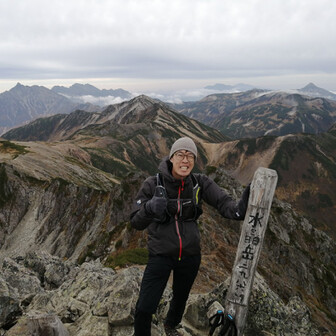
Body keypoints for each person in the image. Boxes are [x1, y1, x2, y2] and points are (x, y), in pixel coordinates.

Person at [130, 137, 250, 336]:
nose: (185, 160)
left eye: (190, 156)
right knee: (145, 306)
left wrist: (239, 210)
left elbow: (223, 203)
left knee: (180, 298)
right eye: (180, 155)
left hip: (190, 255)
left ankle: (171, 326)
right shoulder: (153, 184)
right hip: (161, 254)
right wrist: (150, 208)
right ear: (171, 158)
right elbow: (135, 221)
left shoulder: (199, 182)